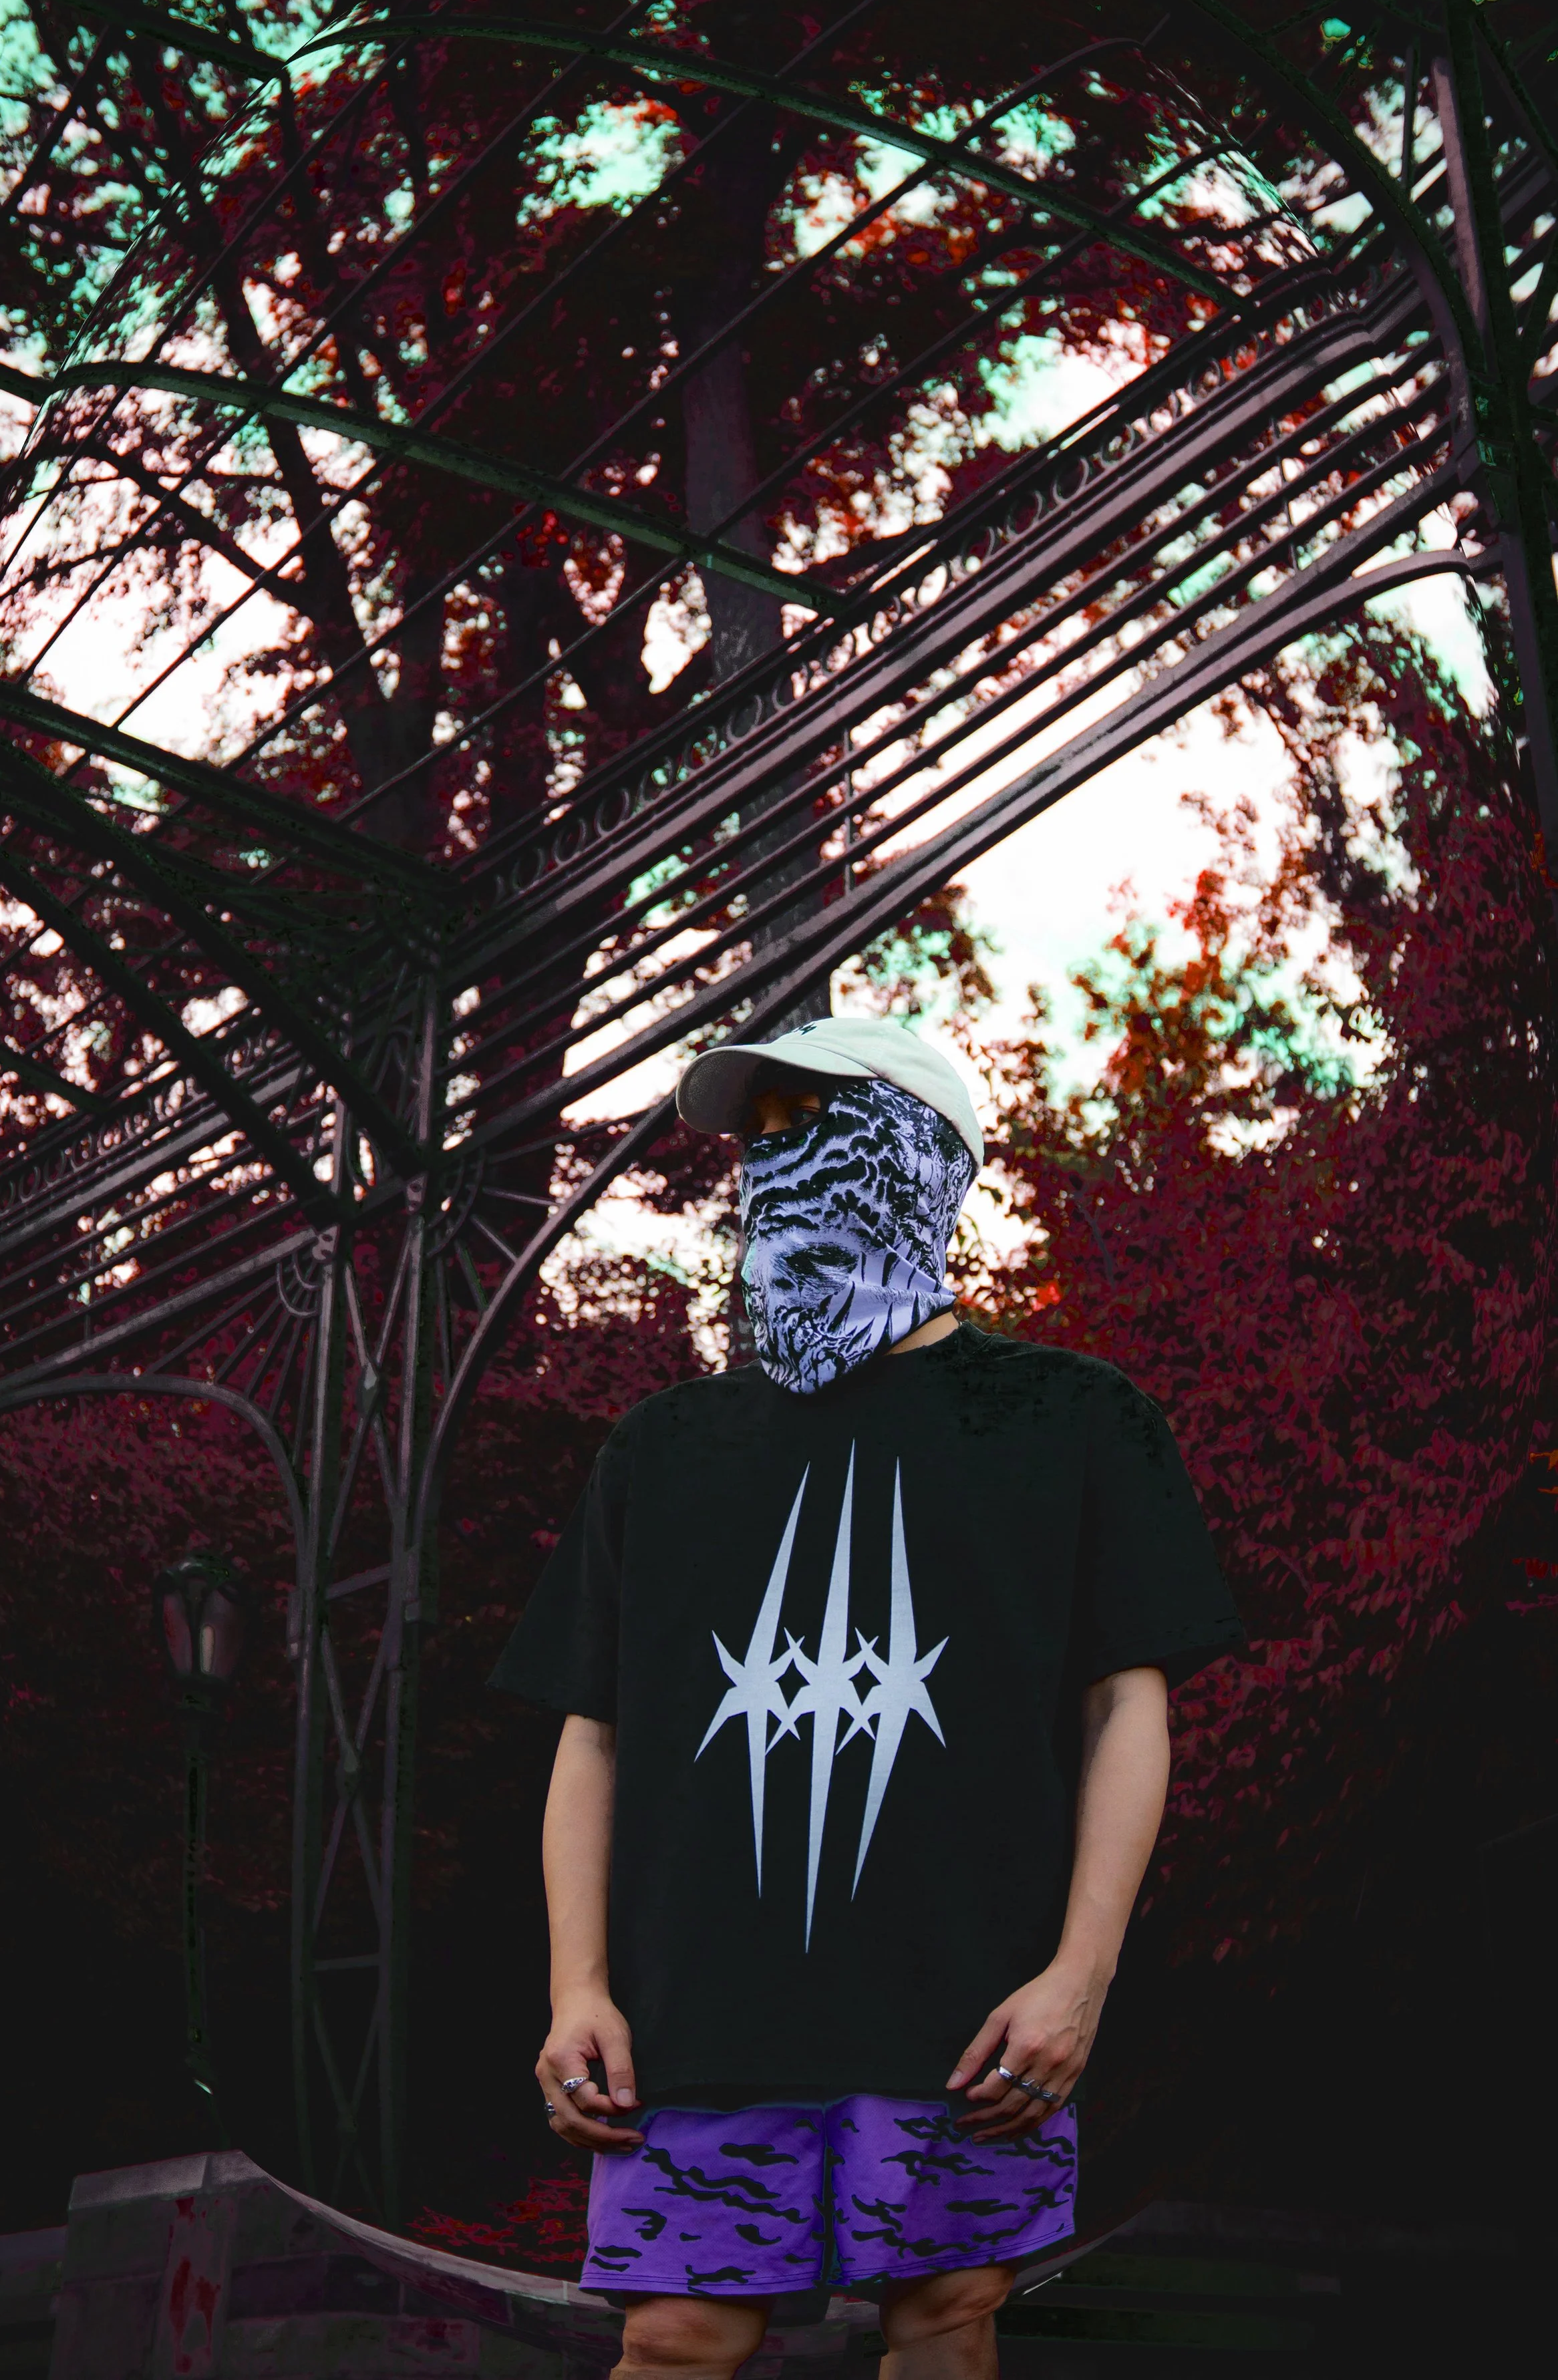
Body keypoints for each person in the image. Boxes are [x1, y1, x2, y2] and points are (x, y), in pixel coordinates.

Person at [490, 1015, 1245, 2380]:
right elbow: (590, 1734)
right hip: (691, 2017)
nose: (772, 1162)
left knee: (945, 2321)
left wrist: (1078, 1976)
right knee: (671, 2339)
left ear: (925, 1159)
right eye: (755, 1136)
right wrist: (577, 1989)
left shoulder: (1072, 1419)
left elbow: (1125, 1710)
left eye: (809, 1124)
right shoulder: (661, 1449)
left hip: (965, 2011)